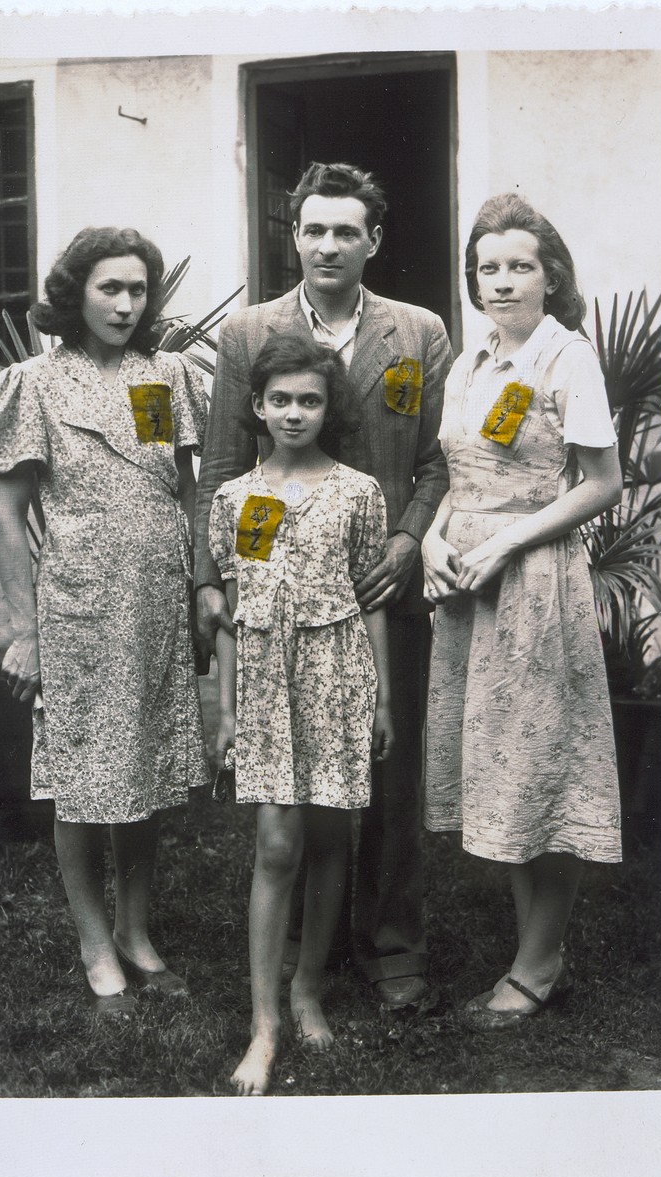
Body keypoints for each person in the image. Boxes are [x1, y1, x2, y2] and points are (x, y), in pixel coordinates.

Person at [195, 162, 452, 1010]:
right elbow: (224, 468)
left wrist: (410, 539)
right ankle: (305, 944)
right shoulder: (247, 334)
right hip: (276, 598)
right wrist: (213, 583)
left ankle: (391, 944)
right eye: (315, 229)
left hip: (378, 589)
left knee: (386, 762)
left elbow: (434, 462)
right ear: (294, 237)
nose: (329, 245)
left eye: (347, 231)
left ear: (374, 240)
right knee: (288, 773)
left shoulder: (418, 333)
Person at [0, 226, 210, 1015]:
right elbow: (8, 512)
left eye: (138, 290)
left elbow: (184, 490)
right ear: (75, 293)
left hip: (155, 598)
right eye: (109, 288)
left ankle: (136, 931)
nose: (125, 304)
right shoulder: (33, 383)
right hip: (79, 602)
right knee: (83, 777)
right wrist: (26, 629)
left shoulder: (167, 377)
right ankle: (94, 946)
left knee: (142, 770)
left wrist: (199, 590)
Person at [421, 193, 623, 1030]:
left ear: (551, 275)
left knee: (543, 761)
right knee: (501, 766)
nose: (502, 282)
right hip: (468, 586)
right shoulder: (469, 366)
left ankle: (538, 964)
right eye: (489, 268)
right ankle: (534, 948)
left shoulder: (564, 358)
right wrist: (436, 540)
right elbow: (458, 477)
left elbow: (603, 483)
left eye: (520, 266)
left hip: (534, 582)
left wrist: (505, 547)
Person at [210, 335, 394, 1095]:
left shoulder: (359, 493)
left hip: (337, 674)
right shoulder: (234, 499)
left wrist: (380, 697)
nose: (294, 412)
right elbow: (231, 614)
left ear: (330, 408)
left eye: (309, 400)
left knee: (327, 839)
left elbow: (371, 601)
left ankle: (307, 988)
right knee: (277, 844)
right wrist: (224, 710)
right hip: (263, 681)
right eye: (280, 399)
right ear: (257, 407)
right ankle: (264, 1025)